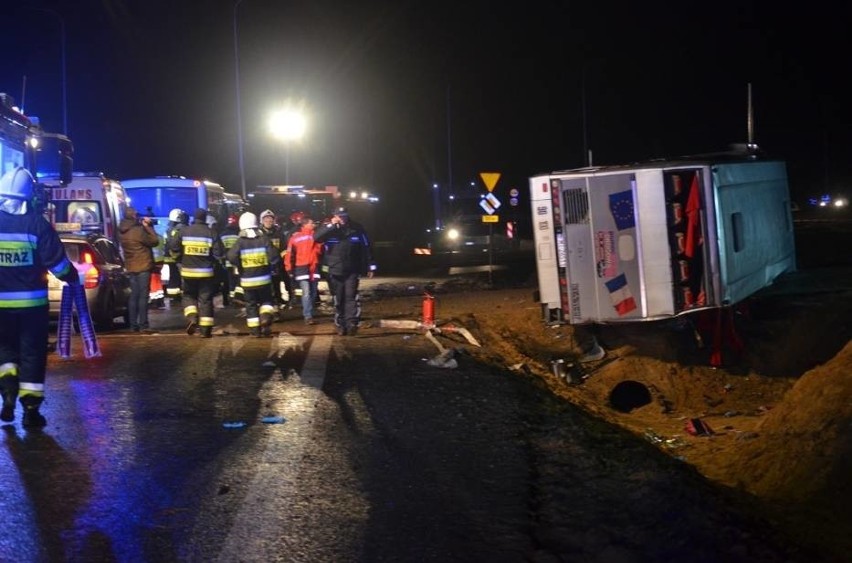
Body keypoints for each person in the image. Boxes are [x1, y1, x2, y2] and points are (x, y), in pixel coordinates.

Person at [0, 167, 81, 428]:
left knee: (4, 351)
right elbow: (58, 265)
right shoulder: (37, 224)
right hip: (32, 307)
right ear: (28, 196)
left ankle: (8, 391)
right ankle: (31, 410)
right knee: (32, 354)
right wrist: (72, 278)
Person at [313, 206, 376, 336]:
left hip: (352, 269)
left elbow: (367, 247)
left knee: (351, 296)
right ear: (334, 216)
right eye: (339, 216)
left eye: (343, 216)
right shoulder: (329, 229)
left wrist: (371, 265)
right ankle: (340, 324)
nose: (342, 219)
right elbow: (316, 238)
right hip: (335, 270)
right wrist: (331, 226)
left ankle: (352, 322)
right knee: (339, 298)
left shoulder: (357, 228)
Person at [168, 207, 224, 338]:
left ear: (194, 217)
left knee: (188, 296)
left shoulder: (184, 231)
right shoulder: (211, 232)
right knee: (206, 300)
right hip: (206, 273)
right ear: (205, 218)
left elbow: (173, 246)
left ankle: (192, 317)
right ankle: (205, 331)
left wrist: (179, 258)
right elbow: (218, 253)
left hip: (188, 272)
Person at [226, 212, 282, 337]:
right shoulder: (264, 239)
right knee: (266, 300)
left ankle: (255, 331)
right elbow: (275, 256)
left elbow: (231, 256)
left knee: (251, 305)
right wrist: (270, 265)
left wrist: (240, 264)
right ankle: (266, 317)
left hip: (247, 281)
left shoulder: (240, 242)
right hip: (264, 279)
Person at [118, 206, 160, 334]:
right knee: (143, 296)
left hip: (131, 266)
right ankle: (143, 324)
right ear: (134, 216)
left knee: (133, 296)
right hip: (143, 266)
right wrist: (148, 227)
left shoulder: (122, 231)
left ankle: (133, 325)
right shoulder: (139, 231)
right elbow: (154, 241)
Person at [285, 215, 322, 325]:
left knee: (313, 293)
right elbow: (290, 254)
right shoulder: (298, 237)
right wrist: (289, 268)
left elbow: (320, 250)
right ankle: (308, 316)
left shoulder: (316, 236)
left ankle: (308, 313)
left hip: (312, 267)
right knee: (307, 292)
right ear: (305, 224)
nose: (314, 225)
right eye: (312, 223)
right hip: (303, 268)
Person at [258, 209, 287, 311]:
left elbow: (284, 248)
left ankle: (276, 306)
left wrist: (280, 260)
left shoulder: (279, 234)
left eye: (270, 219)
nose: (269, 221)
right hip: (263, 265)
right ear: (262, 221)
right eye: (266, 219)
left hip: (276, 265)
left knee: (276, 286)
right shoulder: (259, 234)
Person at [163, 208, 187, 303]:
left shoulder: (169, 229)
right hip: (178, 257)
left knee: (173, 277)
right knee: (181, 277)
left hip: (169, 257)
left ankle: (174, 296)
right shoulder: (179, 229)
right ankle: (181, 295)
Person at [219, 214, 242, 305]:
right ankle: (234, 299)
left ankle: (226, 300)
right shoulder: (239, 234)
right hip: (236, 263)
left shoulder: (222, 234)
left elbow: (220, 249)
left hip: (226, 263)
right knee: (236, 281)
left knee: (226, 282)